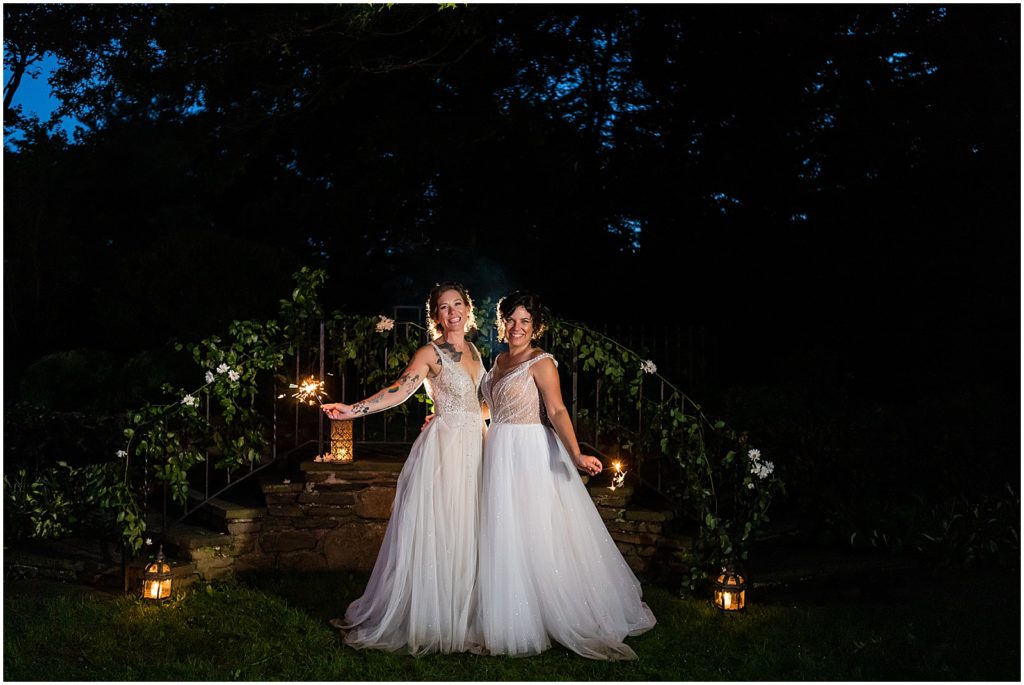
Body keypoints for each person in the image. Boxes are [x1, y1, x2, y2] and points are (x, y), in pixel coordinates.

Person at [475, 290, 656, 661]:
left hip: (527, 451)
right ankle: (511, 612)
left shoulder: (541, 362)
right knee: (503, 530)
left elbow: (556, 410)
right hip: (497, 449)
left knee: (536, 530)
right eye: (511, 319)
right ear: (502, 323)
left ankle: (551, 612)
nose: (517, 327)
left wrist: (575, 453)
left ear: (535, 326)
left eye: (525, 321)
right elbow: (487, 406)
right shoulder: (498, 361)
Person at [321, 282, 487, 655]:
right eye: (443, 307)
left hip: (477, 446)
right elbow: (399, 389)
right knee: (444, 529)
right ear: (435, 317)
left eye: (457, 304)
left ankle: (466, 613)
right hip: (445, 452)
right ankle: (434, 617)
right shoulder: (429, 352)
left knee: (473, 529)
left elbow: (482, 406)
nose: (452, 312)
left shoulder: (476, 351)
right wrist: (353, 410)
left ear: (468, 309)